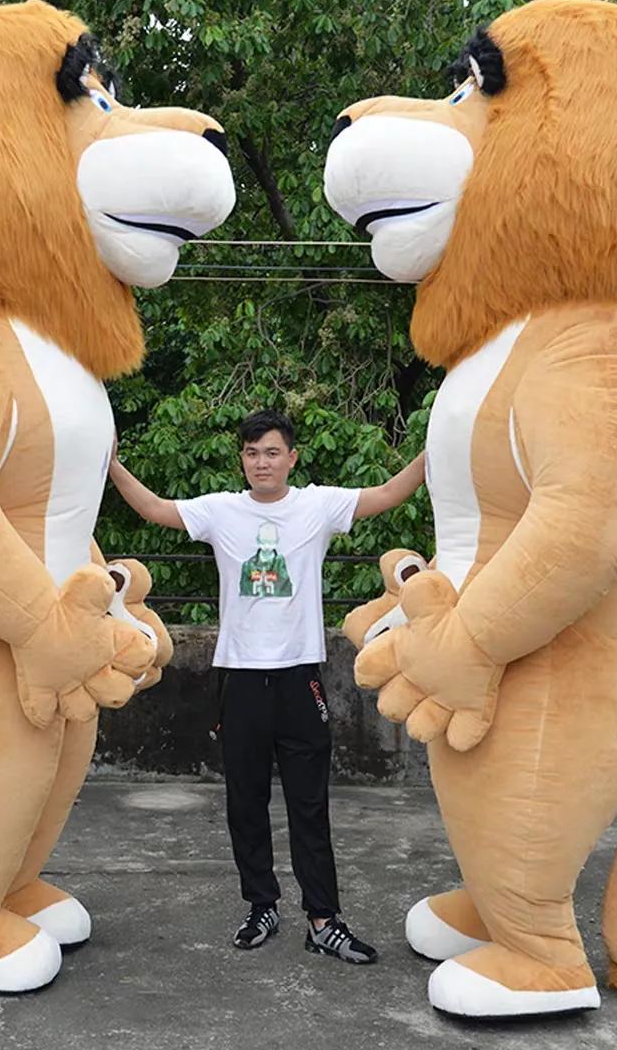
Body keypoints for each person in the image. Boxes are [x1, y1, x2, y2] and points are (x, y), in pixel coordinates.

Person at [108, 409, 427, 964]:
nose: (263, 462)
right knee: (245, 803)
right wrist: (109, 464)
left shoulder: (318, 505)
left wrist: (435, 453)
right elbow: (155, 508)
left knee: (310, 804)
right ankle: (261, 904)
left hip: (300, 675)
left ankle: (324, 920)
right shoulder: (220, 510)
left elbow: (388, 492)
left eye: (273, 452)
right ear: (243, 459)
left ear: (292, 457)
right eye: (253, 453)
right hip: (239, 676)